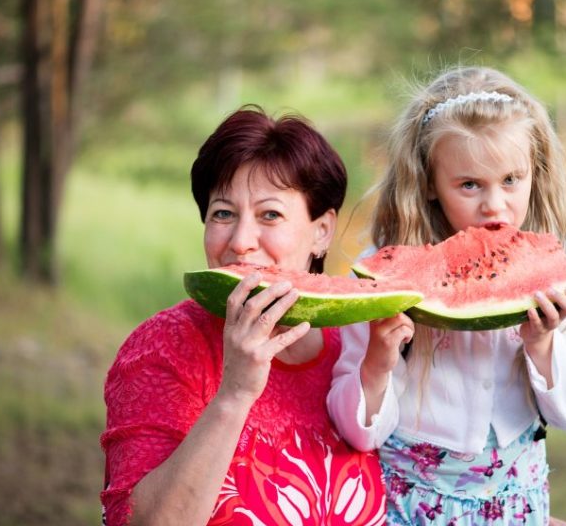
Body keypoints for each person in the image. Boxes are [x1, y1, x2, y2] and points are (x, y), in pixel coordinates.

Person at [327, 66, 566, 525]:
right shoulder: (382, 270)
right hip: (409, 507)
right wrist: (378, 363)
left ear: (535, 173)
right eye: (469, 185)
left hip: (518, 506)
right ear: (427, 182)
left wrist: (543, 346)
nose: (495, 206)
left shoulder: (562, 263)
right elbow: (359, 435)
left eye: (510, 180)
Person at [101, 106, 387, 526]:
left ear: (322, 231)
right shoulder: (163, 346)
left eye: (269, 214)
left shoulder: (357, 350)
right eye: (223, 213)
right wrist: (234, 393)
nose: (240, 242)